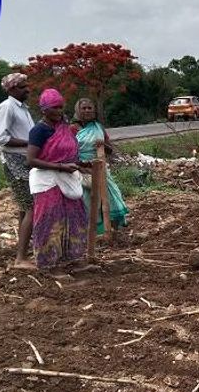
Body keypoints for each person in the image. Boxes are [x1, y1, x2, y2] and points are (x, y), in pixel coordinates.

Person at [26, 88, 88, 270]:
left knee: (73, 218)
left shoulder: (64, 128)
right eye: (55, 107)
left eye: (61, 107)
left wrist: (81, 163)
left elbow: (67, 154)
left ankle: (71, 259)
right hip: (47, 181)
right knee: (50, 221)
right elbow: (30, 160)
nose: (60, 111)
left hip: (67, 177)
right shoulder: (39, 131)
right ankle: (49, 265)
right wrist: (60, 166)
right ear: (44, 110)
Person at [0, 73, 35, 270]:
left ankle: (23, 251)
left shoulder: (23, 109)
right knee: (32, 208)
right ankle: (20, 259)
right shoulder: (7, 107)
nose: (27, 89)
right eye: (22, 87)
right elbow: (0, 138)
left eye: (26, 86)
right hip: (15, 162)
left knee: (24, 208)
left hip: (25, 160)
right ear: (11, 89)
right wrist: (30, 143)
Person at [71, 98, 129, 233]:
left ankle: (113, 231)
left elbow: (110, 149)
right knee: (87, 202)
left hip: (101, 167)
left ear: (94, 110)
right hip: (82, 170)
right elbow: (69, 152)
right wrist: (82, 165)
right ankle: (89, 233)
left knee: (110, 197)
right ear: (78, 111)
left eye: (89, 108)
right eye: (83, 108)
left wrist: (102, 145)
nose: (87, 110)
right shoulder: (72, 129)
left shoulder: (98, 127)